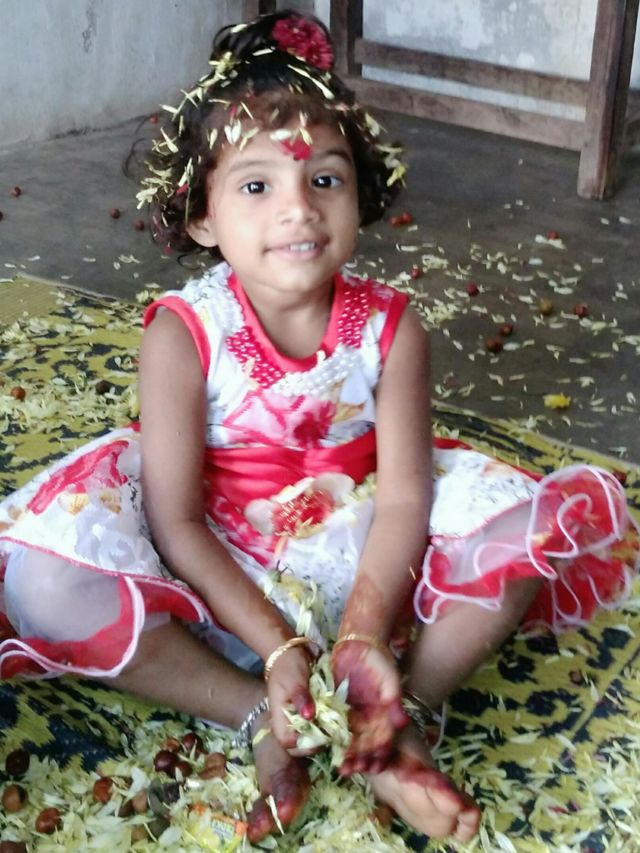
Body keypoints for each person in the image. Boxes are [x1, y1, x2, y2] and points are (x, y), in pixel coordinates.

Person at [0, 8, 638, 845]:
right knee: (46, 582)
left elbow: (405, 499)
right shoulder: (181, 335)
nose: (298, 208)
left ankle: (394, 716)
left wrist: (366, 629)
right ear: (200, 216)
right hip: (219, 569)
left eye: (325, 179)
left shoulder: (392, 328)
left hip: (368, 552)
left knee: (525, 532)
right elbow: (174, 520)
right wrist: (275, 648)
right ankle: (256, 716)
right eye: (256, 186)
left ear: (360, 193)